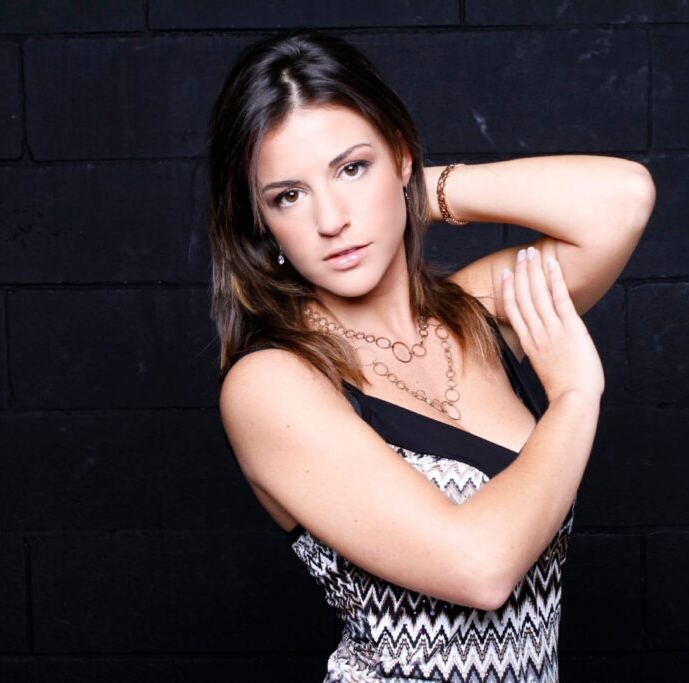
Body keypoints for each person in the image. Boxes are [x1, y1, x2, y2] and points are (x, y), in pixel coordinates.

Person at [208, 28, 654, 683]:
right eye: (288, 196)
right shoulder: (272, 384)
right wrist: (574, 397)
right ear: (263, 222)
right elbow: (480, 568)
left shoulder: (477, 314)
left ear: (401, 156)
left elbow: (622, 201)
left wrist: (423, 191)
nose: (331, 219)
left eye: (351, 168)